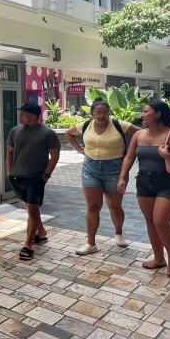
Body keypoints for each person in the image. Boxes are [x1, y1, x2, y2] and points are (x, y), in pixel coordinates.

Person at [118, 101, 170, 278]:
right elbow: (129, 157)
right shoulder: (139, 135)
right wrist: (123, 176)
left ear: (159, 114)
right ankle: (159, 258)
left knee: (160, 222)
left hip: (169, 182)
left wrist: (168, 155)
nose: (142, 114)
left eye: (146, 111)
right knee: (150, 222)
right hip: (144, 182)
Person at [65, 100, 139, 256]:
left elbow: (141, 133)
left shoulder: (119, 125)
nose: (101, 115)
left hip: (115, 170)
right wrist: (79, 149)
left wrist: (132, 152)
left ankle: (119, 233)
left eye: (105, 112)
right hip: (90, 169)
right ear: (92, 113)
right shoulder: (86, 125)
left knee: (115, 205)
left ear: (109, 112)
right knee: (93, 206)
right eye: (98, 112)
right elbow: (69, 134)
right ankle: (91, 243)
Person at [7, 101, 60, 261]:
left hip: (35, 178)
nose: (20, 116)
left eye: (23, 114)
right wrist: (9, 172)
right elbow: (9, 152)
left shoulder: (47, 133)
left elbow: (55, 156)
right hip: (16, 178)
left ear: (33, 116)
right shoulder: (14, 131)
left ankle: (28, 244)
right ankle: (41, 233)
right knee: (31, 209)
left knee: (32, 209)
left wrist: (46, 175)